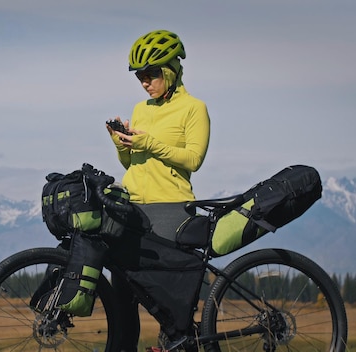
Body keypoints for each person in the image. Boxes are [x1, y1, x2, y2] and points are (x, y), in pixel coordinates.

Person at [106, 30, 210, 352]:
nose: (144, 82)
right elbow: (133, 164)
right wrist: (122, 146)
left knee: (164, 300)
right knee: (122, 294)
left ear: (171, 69)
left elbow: (193, 159)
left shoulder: (194, 109)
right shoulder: (141, 109)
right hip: (134, 207)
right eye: (139, 76)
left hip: (171, 209)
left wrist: (148, 142)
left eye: (150, 74)